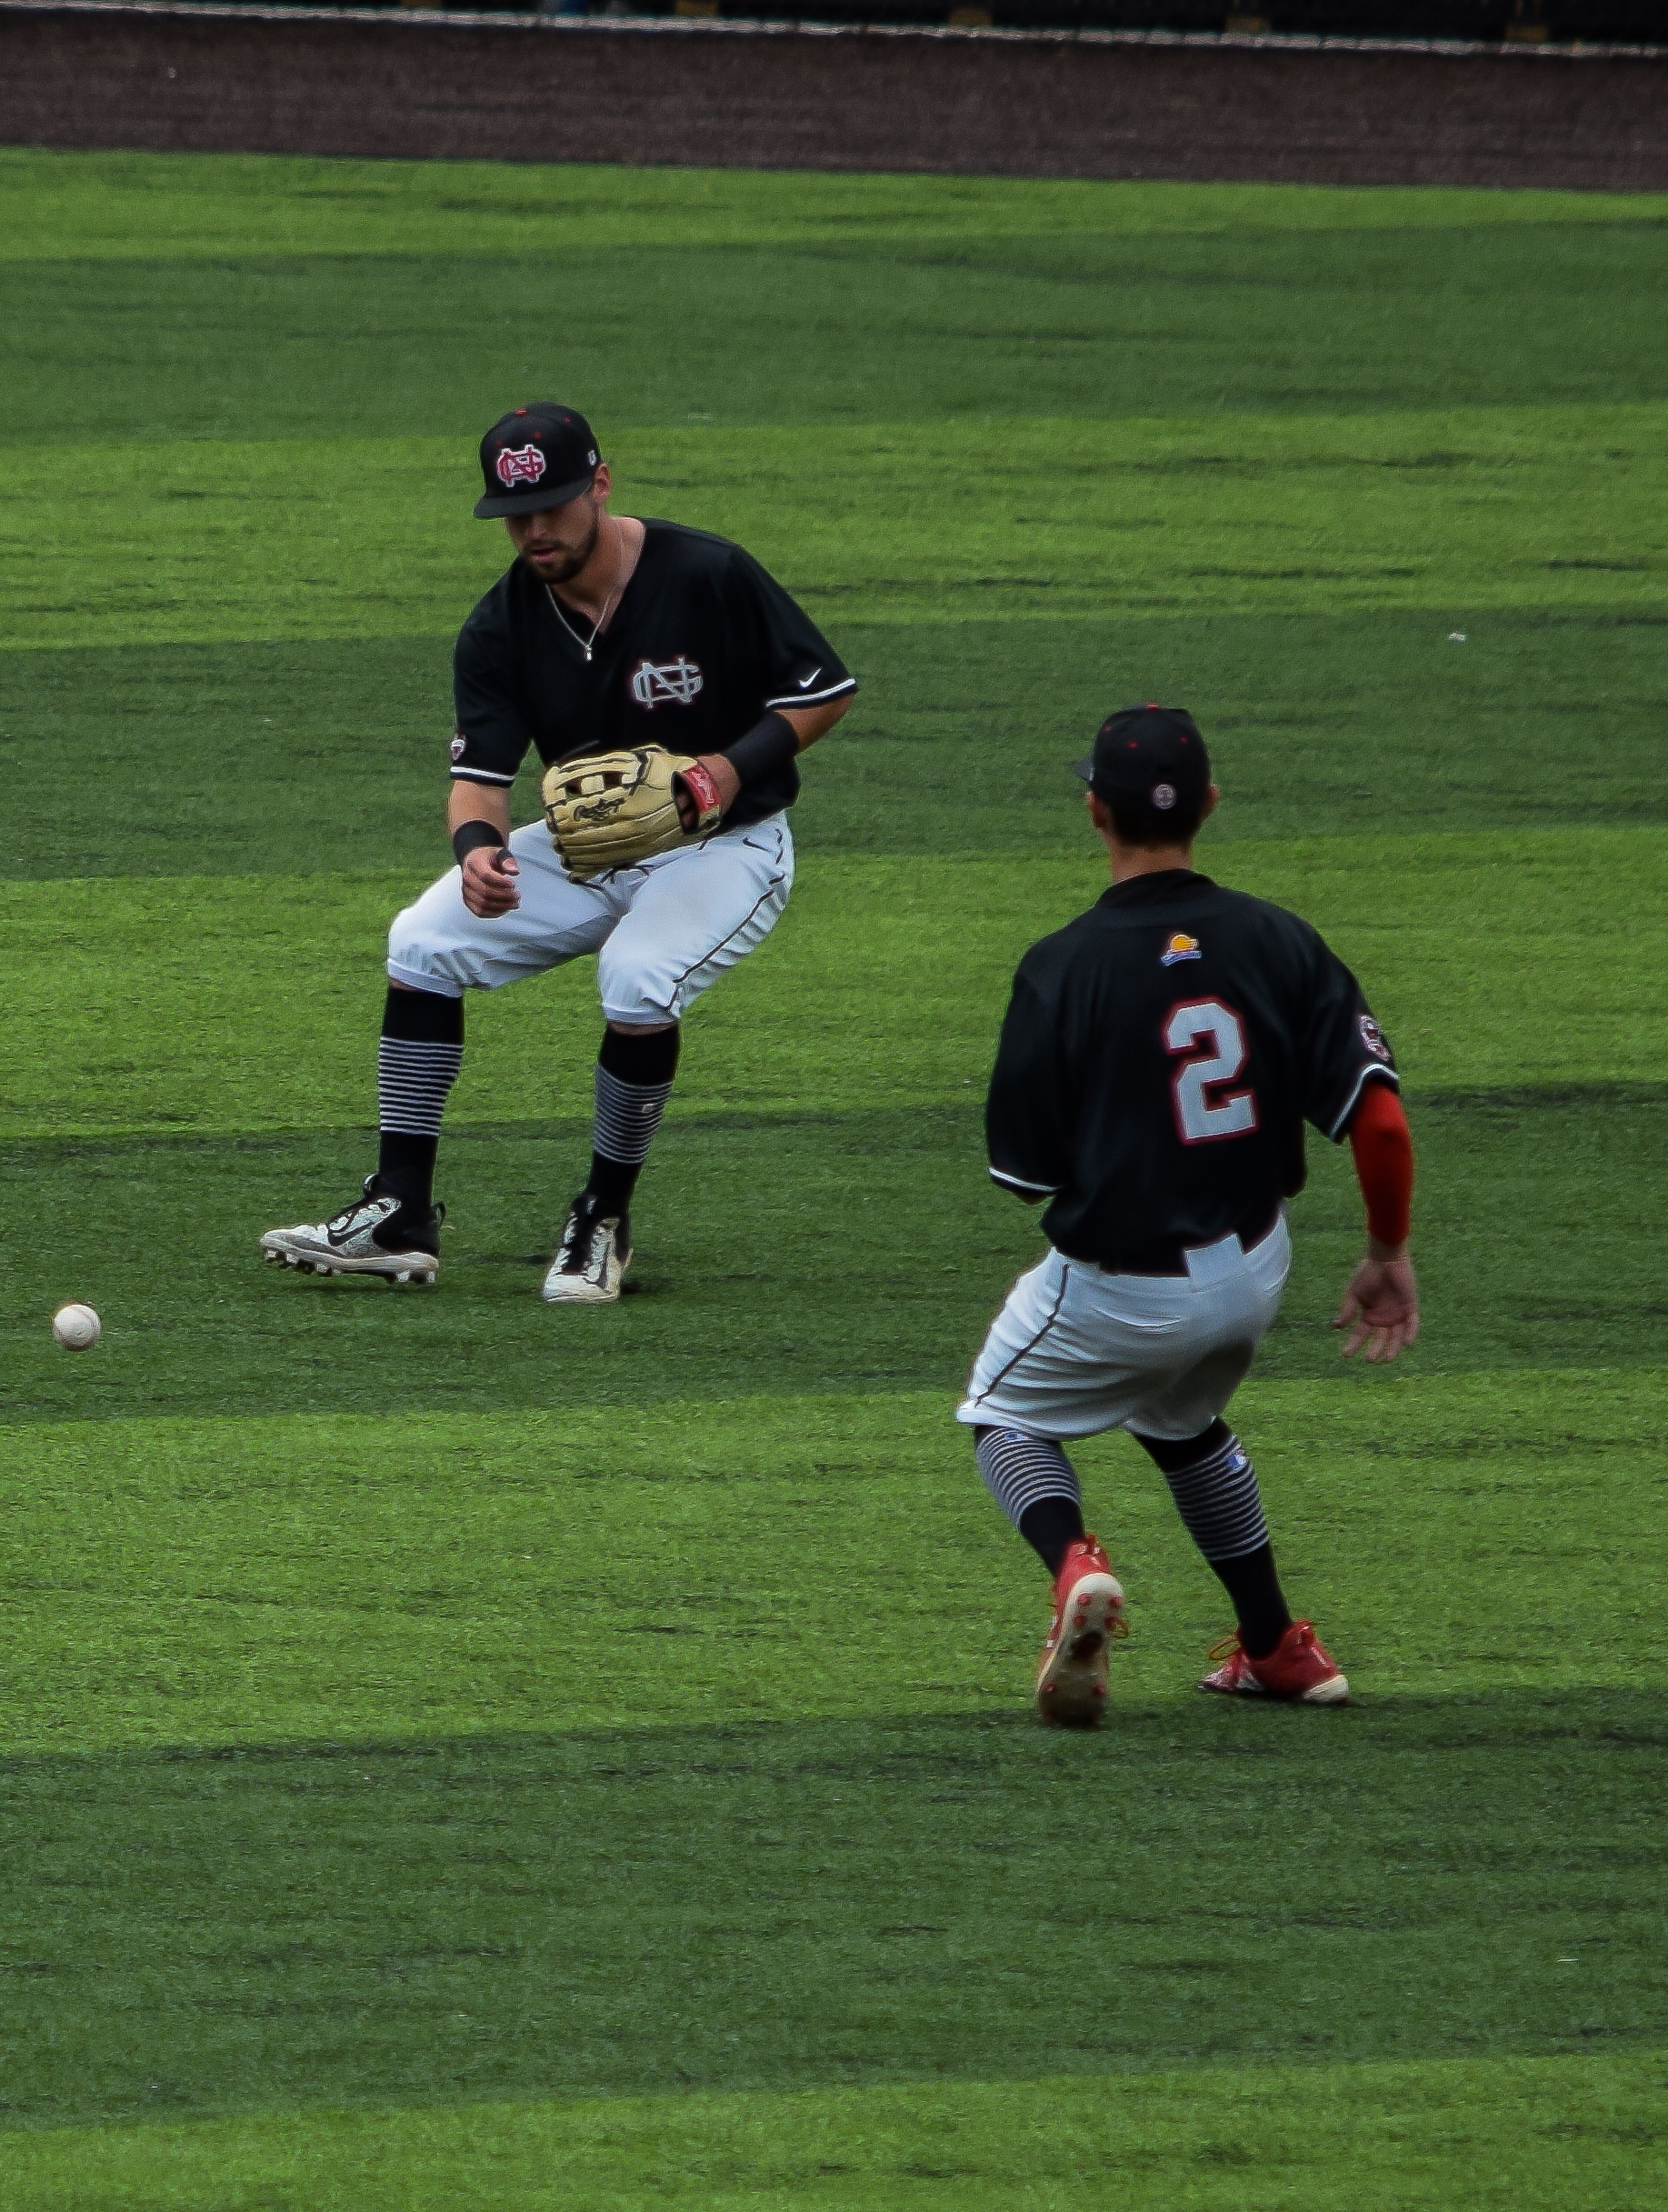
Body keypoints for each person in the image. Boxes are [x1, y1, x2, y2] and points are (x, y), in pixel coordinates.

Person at [260, 403, 854, 1302]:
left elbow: (824, 690)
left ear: (600, 486)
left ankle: (602, 1217)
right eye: (516, 514)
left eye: (555, 507)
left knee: (636, 979)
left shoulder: (706, 572)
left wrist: (725, 775)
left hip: (726, 846)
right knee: (421, 942)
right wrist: (477, 852)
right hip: (590, 850)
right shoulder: (499, 627)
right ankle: (399, 1212)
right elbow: (479, 779)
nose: (535, 531)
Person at [956, 704, 1418, 1727]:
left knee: (1002, 1413)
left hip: (1121, 1284)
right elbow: (1377, 1124)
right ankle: (1275, 1647)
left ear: (1092, 810)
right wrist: (1386, 1250)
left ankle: (1073, 1562)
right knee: (1184, 1420)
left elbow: (1024, 1172)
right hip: (1252, 1272)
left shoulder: (1061, 963)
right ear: (1209, 802)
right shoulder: (1278, 938)